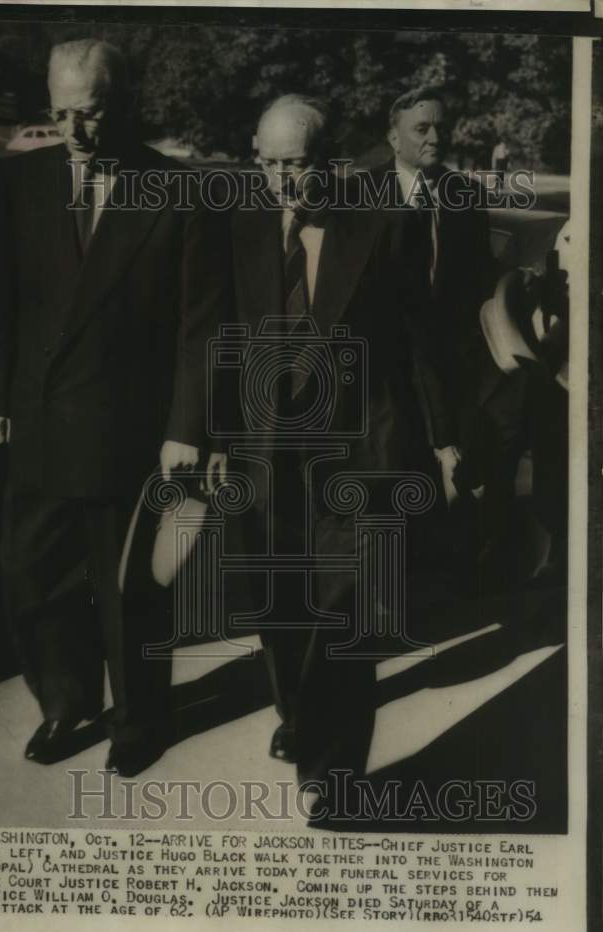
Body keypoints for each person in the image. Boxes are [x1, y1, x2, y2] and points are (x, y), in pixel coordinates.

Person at [0, 39, 231, 776]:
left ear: (120, 105)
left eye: (87, 114)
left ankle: (141, 719)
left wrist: (188, 427)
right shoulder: (23, 182)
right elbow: (2, 300)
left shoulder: (179, 190)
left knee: (128, 590)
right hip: (42, 417)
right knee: (34, 572)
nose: (72, 132)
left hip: (134, 428)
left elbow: (202, 326)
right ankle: (68, 703)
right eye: (58, 113)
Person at [216, 95, 445, 784]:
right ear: (258, 161)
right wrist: (214, 436)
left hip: (358, 448)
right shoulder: (239, 226)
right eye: (275, 164)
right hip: (265, 450)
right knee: (281, 604)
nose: (290, 179)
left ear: (332, 161)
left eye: (304, 163)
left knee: (344, 610)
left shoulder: (378, 223)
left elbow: (416, 339)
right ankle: (298, 714)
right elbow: (210, 337)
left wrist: (443, 437)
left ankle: (333, 768)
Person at [367, 87, 497, 508]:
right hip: (385, 368)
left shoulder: (467, 195)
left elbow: (479, 286)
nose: (435, 138)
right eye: (421, 128)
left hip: (454, 362)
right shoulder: (358, 196)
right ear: (393, 138)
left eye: (441, 128)